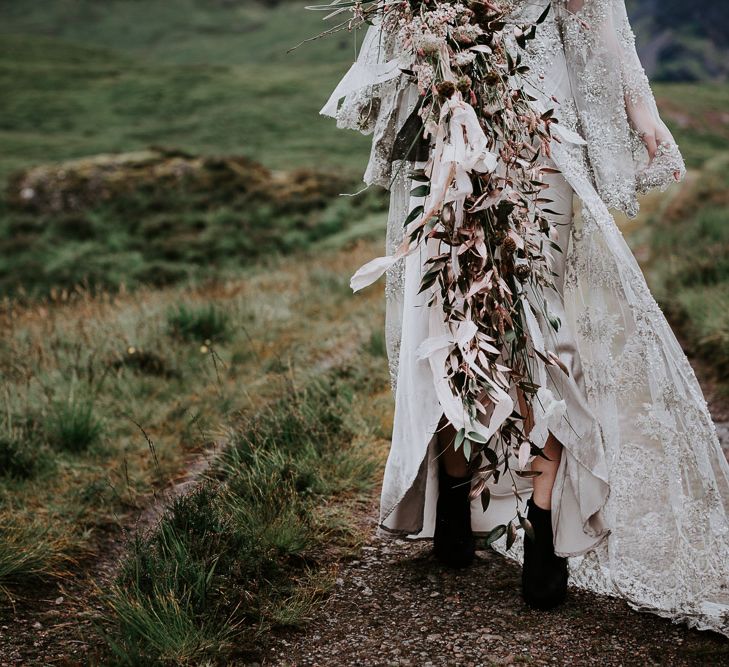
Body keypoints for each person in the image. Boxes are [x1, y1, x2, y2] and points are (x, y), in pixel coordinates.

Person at [321, 0, 729, 636]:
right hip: (448, 141)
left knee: (539, 328)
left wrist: (638, 108)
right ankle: (455, 495)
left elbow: (592, 16)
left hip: (541, 143)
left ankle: (544, 520)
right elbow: (398, 27)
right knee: (451, 314)